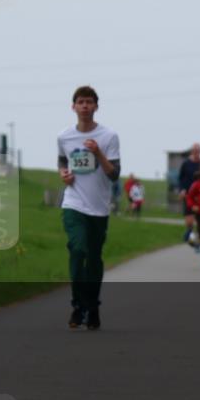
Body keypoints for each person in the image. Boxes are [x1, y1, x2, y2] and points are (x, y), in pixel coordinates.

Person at [57, 86, 121, 330]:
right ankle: (77, 305)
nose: (84, 106)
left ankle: (92, 307)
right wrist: (63, 174)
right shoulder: (64, 136)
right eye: (80, 102)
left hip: (99, 207)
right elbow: (63, 161)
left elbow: (114, 174)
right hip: (73, 203)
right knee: (77, 249)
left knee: (93, 258)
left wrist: (98, 153)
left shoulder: (109, 136)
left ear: (96, 106)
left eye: (89, 102)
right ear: (73, 107)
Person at [177, 143, 200, 251]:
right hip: (188, 195)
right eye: (195, 151)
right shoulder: (186, 164)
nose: (197, 153)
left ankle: (197, 242)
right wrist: (181, 190)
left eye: (199, 151)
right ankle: (189, 232)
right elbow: (181, 178)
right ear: (192, 152)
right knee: (189, 220)